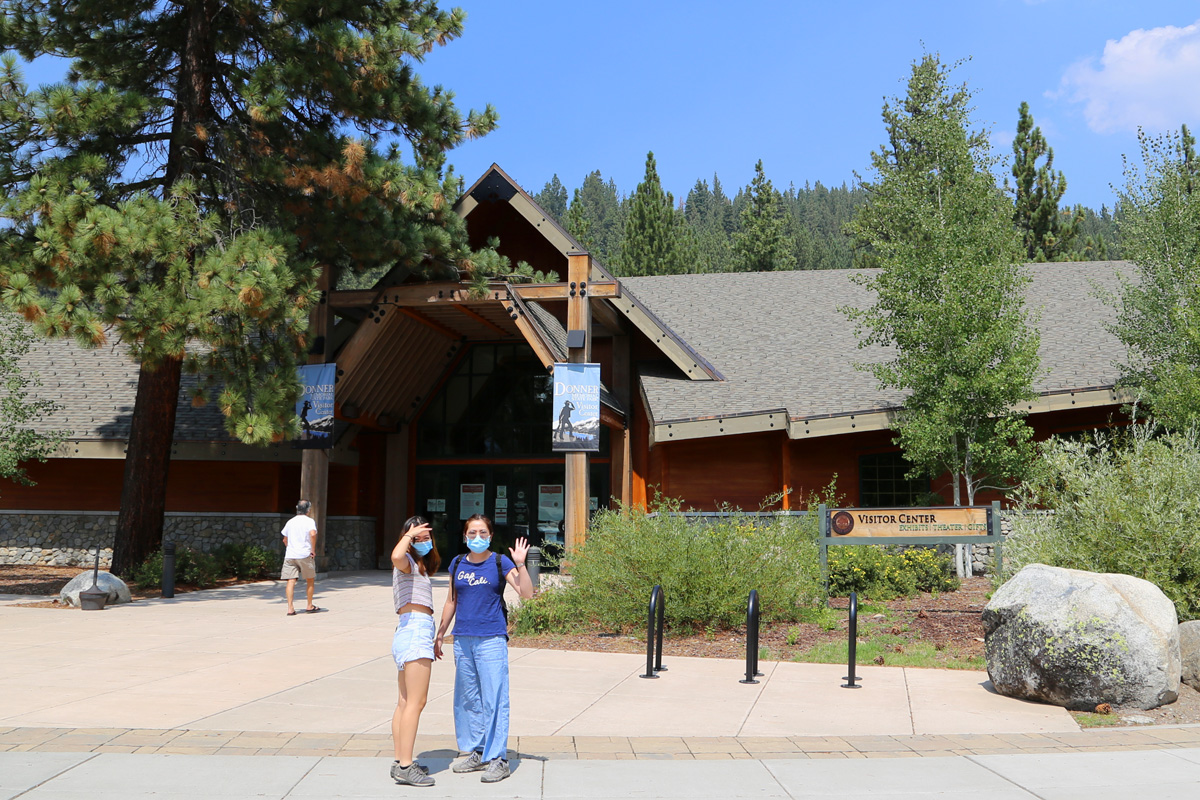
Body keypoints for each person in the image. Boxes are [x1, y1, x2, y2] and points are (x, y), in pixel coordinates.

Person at [435, 515, 533, 783]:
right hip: (463, 639)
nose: (477, 537)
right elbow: (451, 601)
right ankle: (477, 751)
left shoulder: (500, 562)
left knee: (494, 699)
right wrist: (441, 632)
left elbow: (526, 593)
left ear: (490, 535)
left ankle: (498, 757)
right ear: (464, 535)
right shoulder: (457, 563)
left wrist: (522, 565)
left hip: (491, 638)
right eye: (472, 532)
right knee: (468, 700)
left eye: (482, 532)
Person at [389, 516, 439, 787]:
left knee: (405, 702)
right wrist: (408, 536)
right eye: (416, 537)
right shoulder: (406, 562)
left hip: (407, 631)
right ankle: (407, 765)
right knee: (416, 703)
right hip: (415, 630)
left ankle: (401, 761)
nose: (422, 541)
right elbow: (396, 554)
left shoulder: (417, 566)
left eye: (424, 537)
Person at [281, 500, 319, 615]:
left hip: (290, 555)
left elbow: (284, 539)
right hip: (304, 554)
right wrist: (312, 549)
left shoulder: (290, 522)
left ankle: (290, 608)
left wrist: (290, 548)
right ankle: (309, 605)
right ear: (308, 510)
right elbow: (312, 534)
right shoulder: (309, 521)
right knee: (310, 579)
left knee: (291, 580)